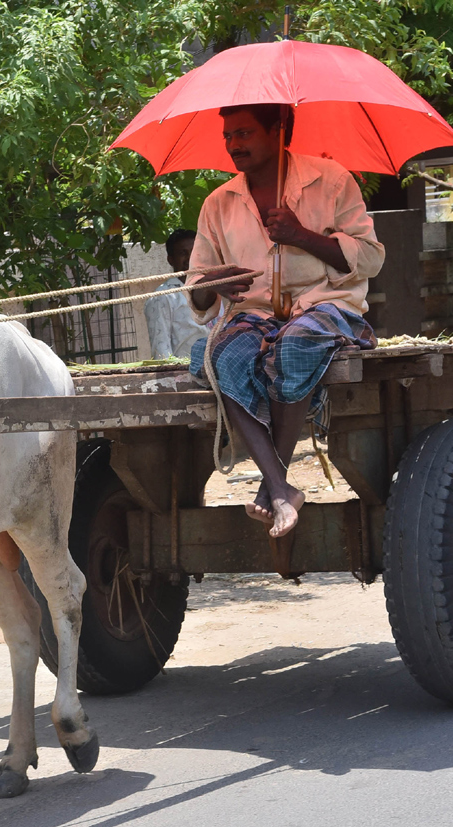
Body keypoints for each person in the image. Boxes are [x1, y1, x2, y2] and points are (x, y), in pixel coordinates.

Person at [185, 103, 384, 539]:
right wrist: (215, 284)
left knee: (295, 344)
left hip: (325, 304)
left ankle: (271, 486)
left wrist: (300, 236)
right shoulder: (217, 204)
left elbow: (370, 258)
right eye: (228, 136)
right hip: (252, 314)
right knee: (218, 357)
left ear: (279, 130)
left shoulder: (331, 180)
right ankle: (279, 486)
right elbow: (197, 290)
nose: (233, 145)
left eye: (244, 133)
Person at [144, 229, 207, 359]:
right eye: (183, 253)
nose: (190, 258)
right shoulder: (162, 297)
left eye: (194, 251)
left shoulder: (213, 288)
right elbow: (161, 352)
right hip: (186, 374)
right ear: (171, 260)